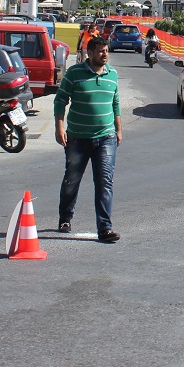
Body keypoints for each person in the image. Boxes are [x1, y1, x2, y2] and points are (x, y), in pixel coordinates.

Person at [54, 36, 122, 243]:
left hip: (106, 137)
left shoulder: (113, 74)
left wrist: (119, 130)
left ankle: (105, 228)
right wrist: (59, 127)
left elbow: (116, 103)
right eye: (100, 51)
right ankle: (65, 218)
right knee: (71, 180)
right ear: (90, 53)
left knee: (104, 182)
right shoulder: (75, 73)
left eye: (106, 50)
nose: (104, 54)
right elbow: (60, 100)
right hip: (77, 138)